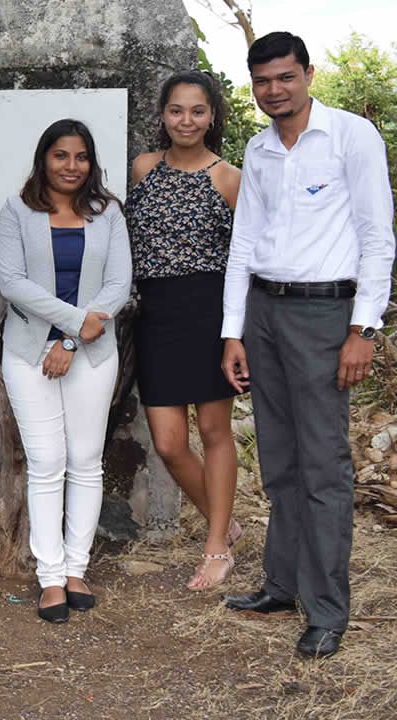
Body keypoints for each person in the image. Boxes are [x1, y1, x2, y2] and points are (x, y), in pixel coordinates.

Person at [219, 32, 394, 659]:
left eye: (285, 78)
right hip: (264, 310)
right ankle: (282, 584)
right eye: (263, 81)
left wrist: (362, 328)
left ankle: (326, 610)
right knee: (279, 457)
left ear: (308, 74)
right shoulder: (260, 149)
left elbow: (378, 237)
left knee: (323, 467)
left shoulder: (350, 137)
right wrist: (232, 331)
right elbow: (244, 244)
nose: (274, 91)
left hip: (326, 314)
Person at [0, 119, 132, 624]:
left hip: (91, 354)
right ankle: (50, 577)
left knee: (86, 458)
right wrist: (72, 324)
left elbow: (118, 283)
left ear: (91, 163)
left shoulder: (108, 212)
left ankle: (77, 568)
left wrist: (72, 340)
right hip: (30, 351)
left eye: (81, 157)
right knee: (47, 461)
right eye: (61, 156)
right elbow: (12, 283)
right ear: (44, 160)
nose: (71, 166)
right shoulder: (18, 210)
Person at [125, 71, 244, 591]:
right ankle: (226, 520)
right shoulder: (143, 169)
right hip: (155, 315)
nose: (186, 121)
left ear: (212, 116)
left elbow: (244, 260)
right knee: (170, 444)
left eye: (197, 111)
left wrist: (236, 332)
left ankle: (217, 547)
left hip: (210, 314)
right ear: (163, 115)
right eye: (177, 110)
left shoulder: (229, 178)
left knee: (215, 433)